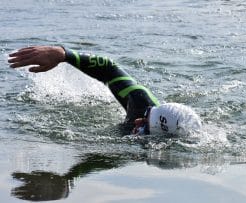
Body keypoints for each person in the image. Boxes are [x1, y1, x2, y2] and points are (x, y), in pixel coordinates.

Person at [8, 46, 202, 136]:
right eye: (146, 115)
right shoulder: (140, 102)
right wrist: (65, 55)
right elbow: (109, 68)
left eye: (145, 125)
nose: (137, 120)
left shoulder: (146, 151)